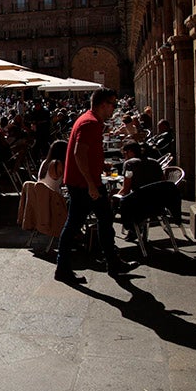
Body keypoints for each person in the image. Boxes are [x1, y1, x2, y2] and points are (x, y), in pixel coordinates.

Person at [54, 88, 134, 284]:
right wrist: (91, 184)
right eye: (112, 104)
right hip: (84, 184)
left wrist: (100, 164)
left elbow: (84, 153)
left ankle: (112, 262)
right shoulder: (90, 123)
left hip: (84, 182)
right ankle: (64, 268)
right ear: (102, 104)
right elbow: (78, 154)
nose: (114, 108)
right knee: (78, 224)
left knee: (103, 220)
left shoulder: (90, 120)